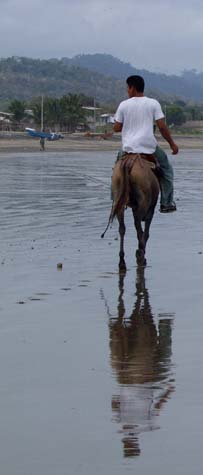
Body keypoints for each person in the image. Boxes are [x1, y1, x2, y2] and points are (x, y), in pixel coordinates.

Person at [113, 75, 179, 212]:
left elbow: (117, 128)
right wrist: (172, 144)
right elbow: (162, 126)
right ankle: (166, 203)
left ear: (132, 88)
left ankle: (114, 200)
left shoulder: (123, 105)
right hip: (149, 148)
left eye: (127, 88)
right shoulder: (153, 103)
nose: (127, 91)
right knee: (167, 171)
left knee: (116, 171)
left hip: (128, 149)